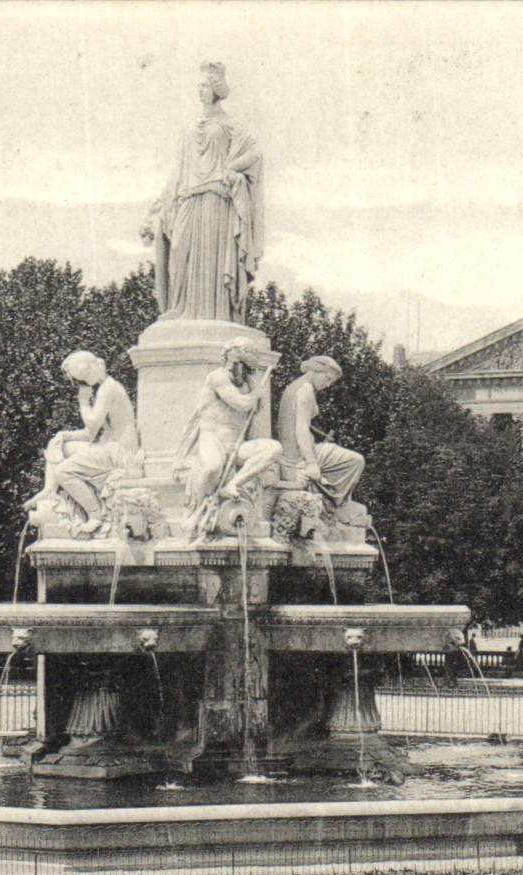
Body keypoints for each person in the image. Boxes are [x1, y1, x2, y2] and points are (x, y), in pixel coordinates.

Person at [147, 61, 263, 323]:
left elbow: (255, 153)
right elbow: (178, 167)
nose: (200, 91)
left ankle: (214, 313)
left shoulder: (233, 125)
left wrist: (232, 167)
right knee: (178, 252)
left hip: (215, 200)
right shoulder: (188, 127)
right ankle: (178, 307)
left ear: (217, 88)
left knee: (211, 259)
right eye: (198, 85)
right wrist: (162, 200)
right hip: (187, 197)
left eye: (205, 85)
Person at [24, 351, 142, 536]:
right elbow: (89, 434)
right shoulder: (104, 387)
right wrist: (64, 435)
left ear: (90, 370)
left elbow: (93, 424)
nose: (83, 385)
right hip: (109, 447)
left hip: (119, 452)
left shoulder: (108, 389)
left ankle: (96, 514)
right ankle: (49, 490)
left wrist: (83, 402)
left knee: (63, 470)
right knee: (59, 445)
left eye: (82, 380)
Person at [175, 338, 281, 528]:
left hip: (235, 444)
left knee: (273, 449)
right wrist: (257, 393)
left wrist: (253, 385)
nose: (243, 370)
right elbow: (241, 403)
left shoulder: (247, 383)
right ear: (232, 359)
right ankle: (197, 508)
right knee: (213, 467)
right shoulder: (217, 377)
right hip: (212, 438)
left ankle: (232, 484)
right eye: (241, 364)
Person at [275, 355, 365, 513]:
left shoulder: (296, 386)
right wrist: (311, 463)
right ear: (316, 370)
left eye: (331, 381)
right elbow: (301, 428)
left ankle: (332, 501)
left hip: (294, 449)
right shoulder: (306, 390)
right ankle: (337, 506)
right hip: (298, 454)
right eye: (328, 378)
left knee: (336, 452)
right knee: (356, 461)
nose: (328, 384)